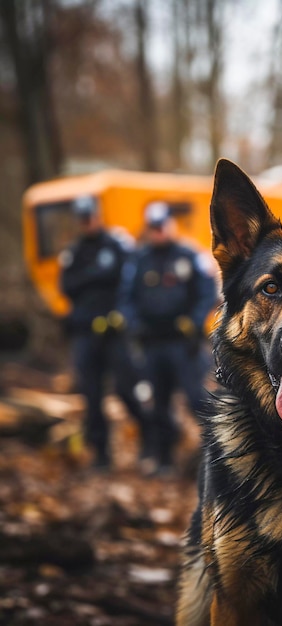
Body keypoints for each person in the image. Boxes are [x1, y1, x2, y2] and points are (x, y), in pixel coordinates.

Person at [118, 202, 217, 475]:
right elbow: (126, 298)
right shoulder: (139, 260)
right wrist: (135, 325)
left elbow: (209, 291)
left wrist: (195, 321)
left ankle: (218, 457)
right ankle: (164, 460)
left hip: (183, 344)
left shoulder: (189, 254)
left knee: (197, 398)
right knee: (157, 404)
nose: (159, 232)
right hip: (151, 344)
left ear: (170, 224)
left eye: (163, 226)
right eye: (154, 228)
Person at [59, 195, 147, 469]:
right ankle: (101, 455)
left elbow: (129, 279)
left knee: (126, 389)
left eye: (91, 217)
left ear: (98, 215)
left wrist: (90, 277)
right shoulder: (74, 251)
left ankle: (150, 439)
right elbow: (67, 286)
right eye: (83, 219)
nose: (88, 223)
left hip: (114, 332)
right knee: (91, 394)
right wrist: (97, 274)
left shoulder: (116, 245)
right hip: (85, 333)